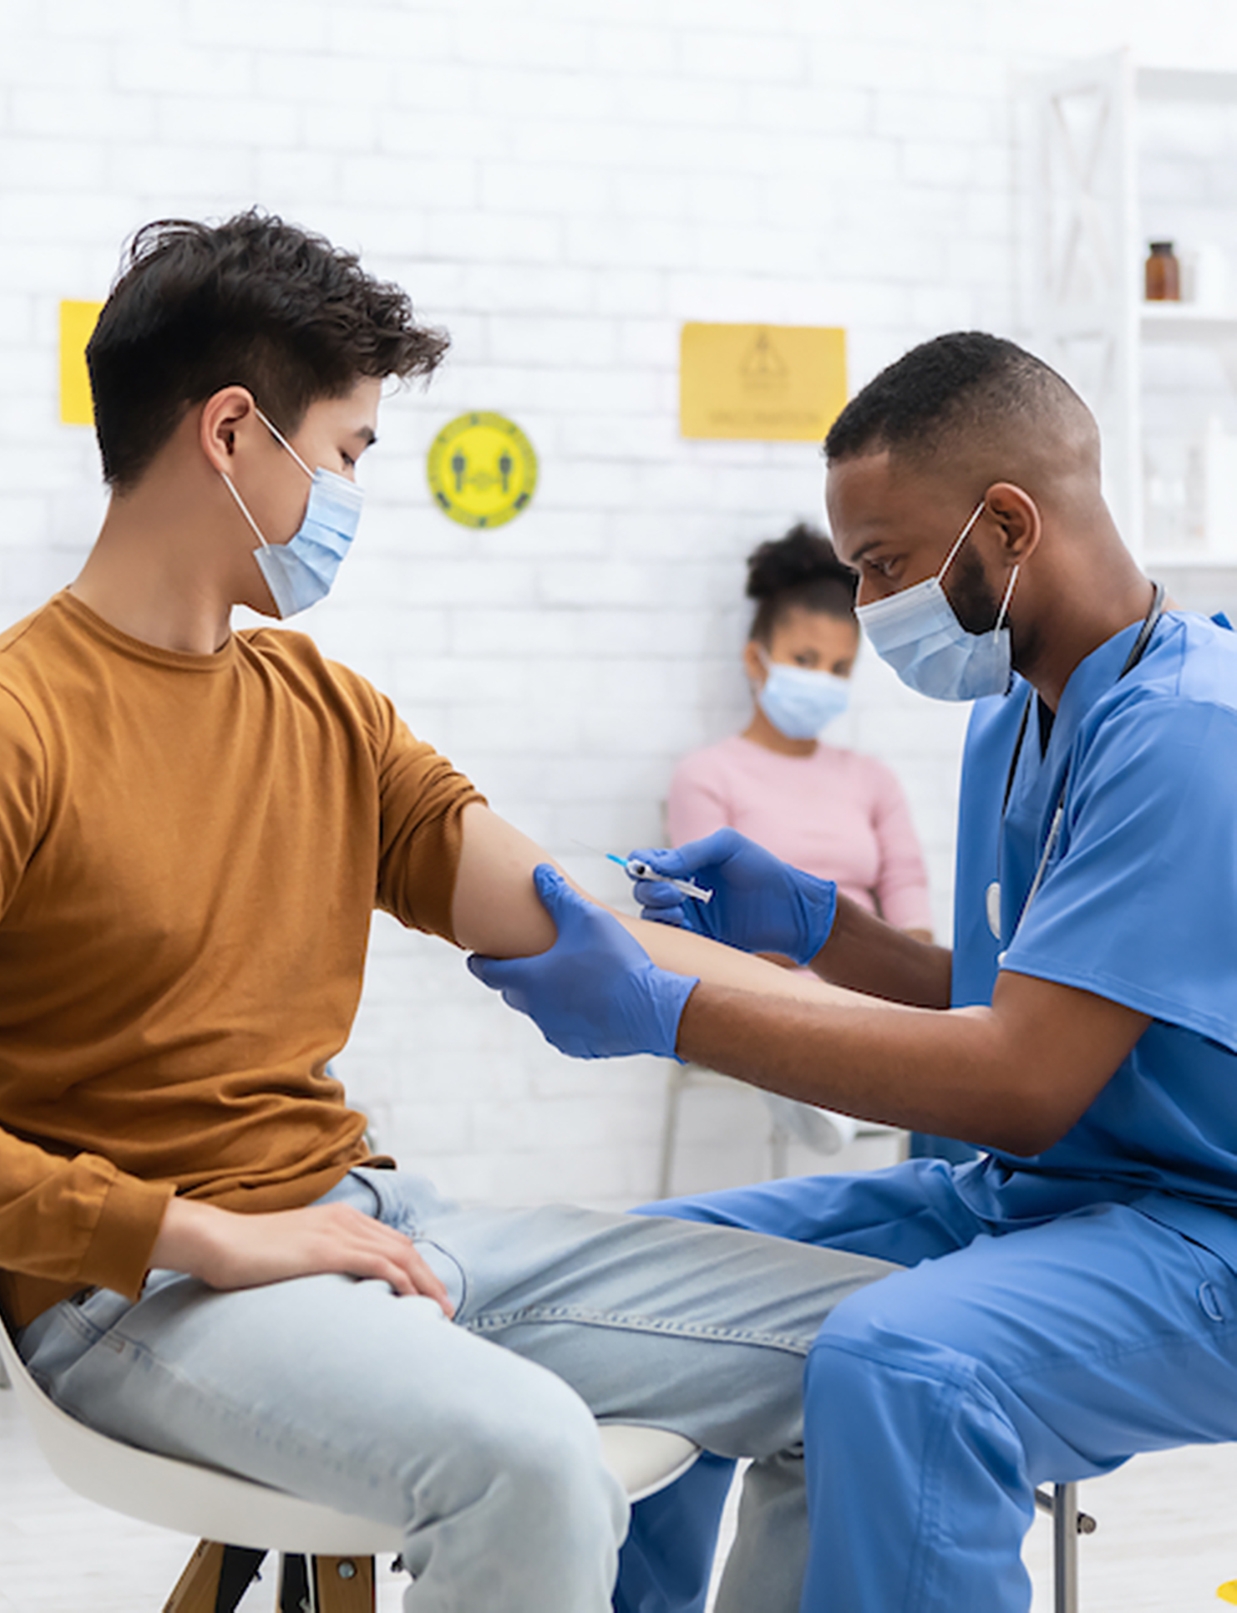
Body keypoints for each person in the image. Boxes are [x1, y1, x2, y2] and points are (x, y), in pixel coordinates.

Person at [0, 212, 896, 1613]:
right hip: (141, 1295)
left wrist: (968, 1036)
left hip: (371, 1222)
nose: (354, 494)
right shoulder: (13, 723)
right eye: (346, 452)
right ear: (232, 433)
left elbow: (569, 917)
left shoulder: (325, 714)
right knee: (534, 1461)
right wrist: (204, 1234)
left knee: (887, 1352)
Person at [469, 331, 1237, 1613]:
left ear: (1004, 522)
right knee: (629, 1286)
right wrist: (820, 924)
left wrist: (674, 1011)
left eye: (885, 565)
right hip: (1030, 1198)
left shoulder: (1188, 736)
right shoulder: (1012, 716)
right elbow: (1016, 993)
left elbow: (1020, 1079)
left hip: (1195, 1233)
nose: (874, 606)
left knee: (904, 1363)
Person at [667, 522, 932, 1159]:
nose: (822, 679)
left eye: (839, 668)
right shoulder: (708, 775)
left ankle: (829, 1086)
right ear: (756, 659)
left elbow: (909, 897)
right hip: (762, 978)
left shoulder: (872, 780)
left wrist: (897, 966)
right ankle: (824, 1085)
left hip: (871, 982)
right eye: (805, 661)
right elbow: (709, 918)